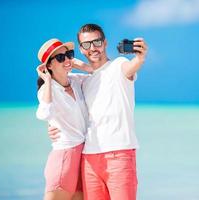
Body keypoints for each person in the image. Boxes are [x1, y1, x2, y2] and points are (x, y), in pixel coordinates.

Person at [49, 24, 148, 200]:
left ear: (105, 42)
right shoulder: (83, 82)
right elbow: (63, 100)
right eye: (86, 45)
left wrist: (140, 59)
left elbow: (131, 67)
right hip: (89, 159)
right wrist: (54, 125)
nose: (93, 48)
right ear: (80, 49)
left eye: (97, 42)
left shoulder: (119, 65)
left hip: (120, 155)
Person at [36, 38, 89, 200]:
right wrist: (48, 81)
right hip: (65, 156)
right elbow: (44, 114)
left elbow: (101, 75)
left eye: (68, 55)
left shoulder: (76, 81)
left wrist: (80, 65)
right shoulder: (47, 90)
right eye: (60, 58)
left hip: (83, 155)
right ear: (48, 66)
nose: (66, 59)